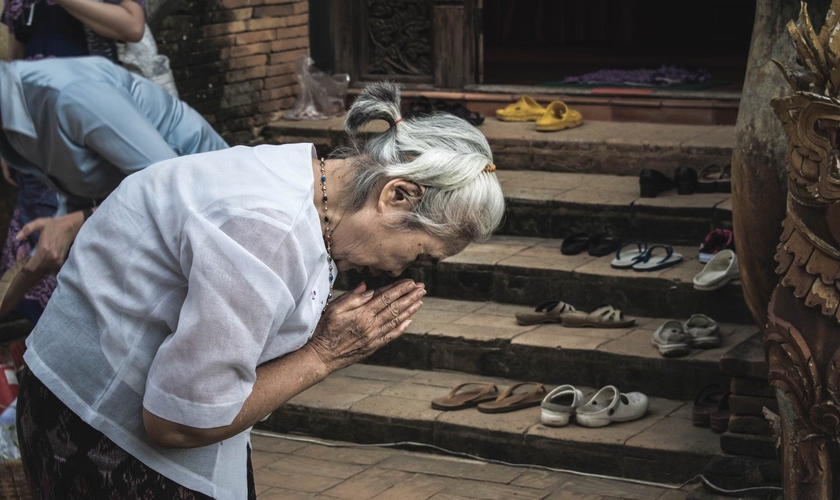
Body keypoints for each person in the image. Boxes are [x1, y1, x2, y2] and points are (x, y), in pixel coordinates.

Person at [15, 80, 505, 499]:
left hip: (67, 389)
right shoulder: (269, 229)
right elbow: (177, 422)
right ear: (396, 195)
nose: (405, 271)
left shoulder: (303, 174)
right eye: (419, 254)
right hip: (97, 431)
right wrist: (325, 353)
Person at [0, 55, 229, 317]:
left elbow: (170, 183)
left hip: (209, 204)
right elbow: (78, 189)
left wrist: (78, 223)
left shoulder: (69, 95)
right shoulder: (13, 128)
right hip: (151, 213)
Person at [0, 0, 148, 323]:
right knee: (35, 244)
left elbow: (133, 27)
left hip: (91, 130)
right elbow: (15, 57)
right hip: (37, 133)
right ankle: (36, 352)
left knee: (96, 244)